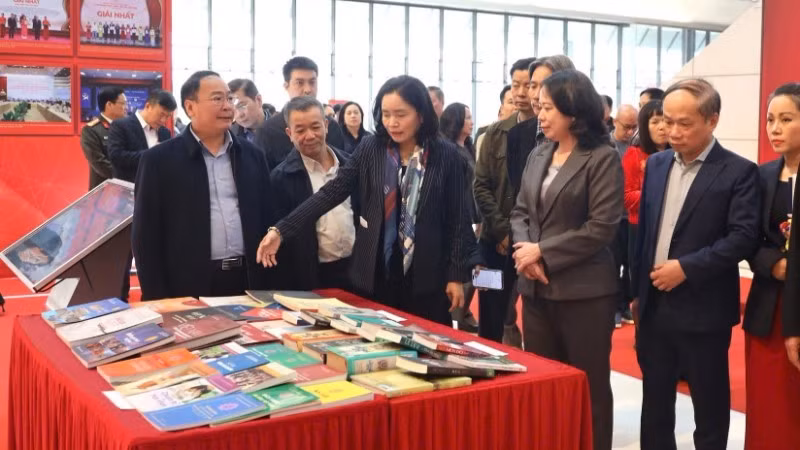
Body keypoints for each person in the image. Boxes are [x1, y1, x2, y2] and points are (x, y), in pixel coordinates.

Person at [256, 75, 477, 326]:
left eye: (401, 114)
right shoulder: (372, 148)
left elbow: (459, 219)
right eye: (386, 114)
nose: (392, 123)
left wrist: (456, 275)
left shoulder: (445, 155)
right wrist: (281, 230)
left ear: (421, 114)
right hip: (377, 271)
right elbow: (332, 192)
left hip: (427, 273)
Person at [631, 78, 759, 450]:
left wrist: (686, 268)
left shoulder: (737, 171)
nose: (672, 131)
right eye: (666, 121)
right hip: (653, 304)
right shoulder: (655, 165)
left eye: (683, 123)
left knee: (709, 406)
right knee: (654, 404)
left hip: (704, 308)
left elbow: (742, 237)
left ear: (712, 120)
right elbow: (645, 235)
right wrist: (635, 293)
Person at [510, 69, 621, 450]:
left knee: (588, 387)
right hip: (536, 288)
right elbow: (520, 212)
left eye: (549, 108)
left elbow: (602, 227)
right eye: (539, 107)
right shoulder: (539, 151)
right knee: (544, 384)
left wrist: (543, 251)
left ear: (574, 112)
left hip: (585, 294)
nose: (541, 115)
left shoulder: (602, 158)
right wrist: (526, 254)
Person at [132, 71, 277, 300]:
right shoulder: (158, 160)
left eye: (230, 99)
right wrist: (156, 296)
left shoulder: (252, 156)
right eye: (217, 99)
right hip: (188, 284)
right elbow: (145, 235)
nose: (228, 106)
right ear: (190, 108)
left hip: (249, 280)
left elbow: (268, 217)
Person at [745, 82, 800, 449]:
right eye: (770, 119)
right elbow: (747, 236)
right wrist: (773, 264)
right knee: (767, 403)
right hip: (768, 305)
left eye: (786, 119)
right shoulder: (761, 175)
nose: (774, 128)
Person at [473, 57, 536, 343]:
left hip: (531, 243)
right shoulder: (494, 133)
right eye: (516, 85)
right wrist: (501, 231)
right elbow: (480, 185)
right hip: (492, 242)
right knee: (489, 312)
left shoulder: (547, 133)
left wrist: (516, 236)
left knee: (533, 314)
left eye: (529, 85)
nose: (522, 92)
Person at [270, 96, 356, 291]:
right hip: (312, 275)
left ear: (326, 126)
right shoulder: (281, 178)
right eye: (300, 130)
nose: (309, 136)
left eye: (316, 127)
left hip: (355, 269)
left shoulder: (350, 165)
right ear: (289, 133)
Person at [256, 57, 345, 169]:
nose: (307, 89)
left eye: (312, 82)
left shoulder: (331, 126)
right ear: (286, 86)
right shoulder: (267, 131)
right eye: (299, 83)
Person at [440, 102, 480, 333]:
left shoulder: (468, 146)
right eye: (467, 118)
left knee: (473, 268)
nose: (471, 122)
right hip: (460, 213)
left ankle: (462, 312)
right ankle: (459, 311)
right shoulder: (448, 149)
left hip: (473, 212)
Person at [622, 100, 667, 271]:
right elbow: (626, 197)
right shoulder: (634, 154)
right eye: (655, 122)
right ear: (644, 126)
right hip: (641, 225)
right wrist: (659, 195)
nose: (662, 127)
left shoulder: (680, 154)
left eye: (666, 121)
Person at [108, 89, 176, 183]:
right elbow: (116, 157)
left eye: (168, 116)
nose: (163, 120)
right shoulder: (121, 125)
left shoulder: (165, 132)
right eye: (161, 114)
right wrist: (152, 154)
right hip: (130, 189)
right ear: (148, 106)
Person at [81, 87, 128, 190]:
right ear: (109, 105)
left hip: (128, 191)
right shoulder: (91, 130)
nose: (126, 107)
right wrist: (128, 176)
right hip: (104, 193)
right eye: (123, 103)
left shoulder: (128, 127)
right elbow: (100, 164)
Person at [475, 84, 515, 161]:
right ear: (502, 107)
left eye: (518, 102)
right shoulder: (487, 137)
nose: (516, 106)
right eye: (511, 102)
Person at [228, 79, 267, 144]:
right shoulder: (228, 135)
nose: (239, 115)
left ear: (258, 100)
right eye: (232, 109)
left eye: (242, 106)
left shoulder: (284, 128)